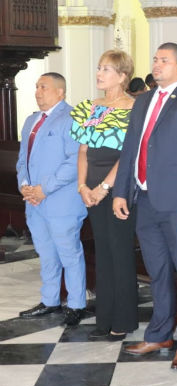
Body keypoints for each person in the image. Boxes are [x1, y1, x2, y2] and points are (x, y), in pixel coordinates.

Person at [112, 42, 177, 369]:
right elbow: (131, 149)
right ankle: (159, 333)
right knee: (156, 273)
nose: (156, 65)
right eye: (154, 60)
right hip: (145, 200)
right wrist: (120, 191)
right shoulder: (142, 101)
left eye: (164, 61)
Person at [70, 50, 138, 341]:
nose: (99, 73)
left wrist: (104, 188)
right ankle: (104, 317)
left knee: (120, 252)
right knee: (104, 252)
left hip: (118, 187)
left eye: (107, 69)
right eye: (99, 68)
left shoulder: (135, 108)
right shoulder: (87, 106)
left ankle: (123, 319)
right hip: (91, 189)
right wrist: (83, 186)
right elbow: (83, 151)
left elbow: (128, 156)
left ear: (123, 76)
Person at [16, 73, 88, 326]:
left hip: (61, 201)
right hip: (34, 202)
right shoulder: (31, 120)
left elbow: (74, 161)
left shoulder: (72, 118)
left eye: (43, 87)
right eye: (36, 87)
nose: (37, 92)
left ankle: (77, 303)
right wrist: (25, 186)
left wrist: (44, 189)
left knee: (69, 253)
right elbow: (22, 159)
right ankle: (50, 300)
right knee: (46, 253)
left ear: (60, 92)